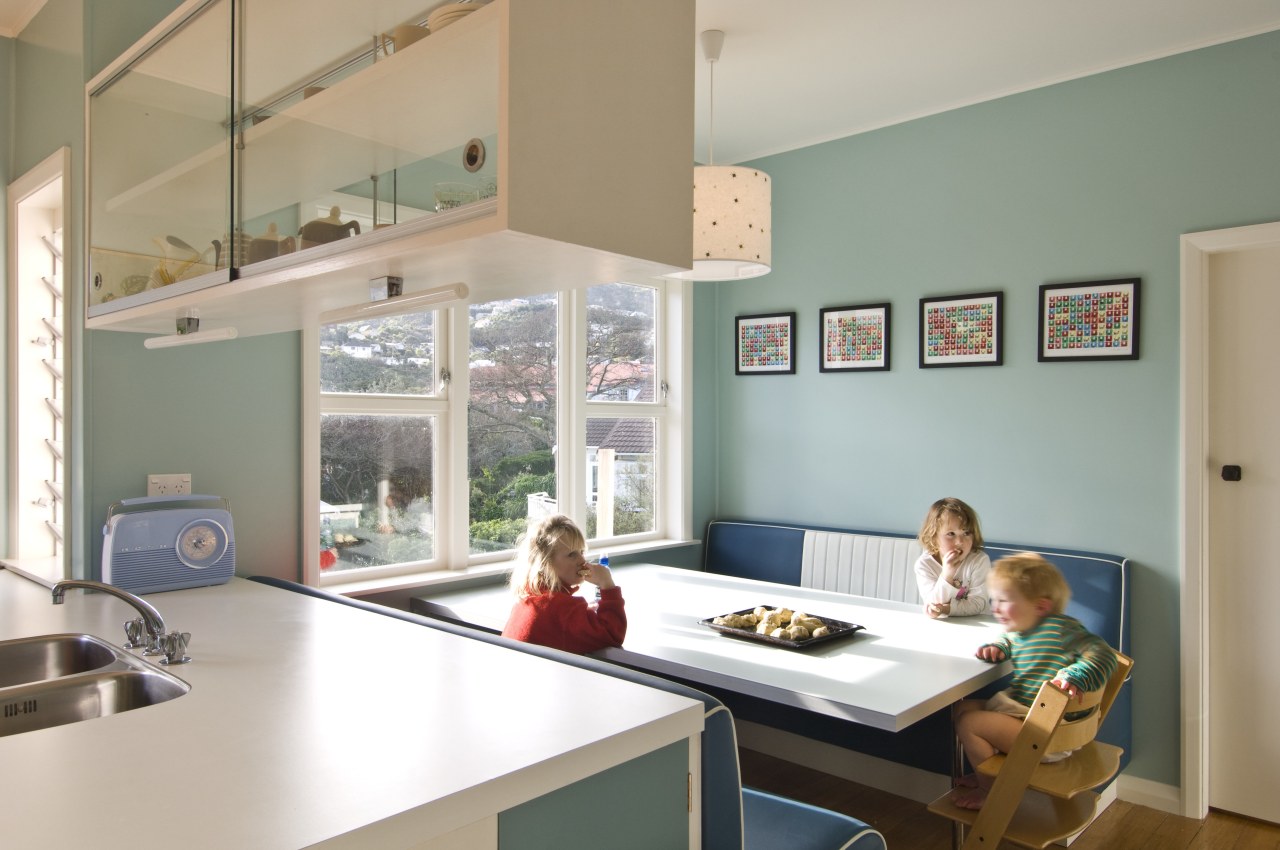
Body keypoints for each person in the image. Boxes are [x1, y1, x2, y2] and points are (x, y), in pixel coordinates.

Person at [950, 552, 1118, 810]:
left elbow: (1103, 654)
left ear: (1041, 606)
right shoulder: (1023, 630)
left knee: (969, 722)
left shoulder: (1061, 629)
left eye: (1004, 600)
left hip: (1048, 734)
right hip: (1026, 716)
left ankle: (991, 790)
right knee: (961, 708)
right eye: (994, 599)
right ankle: (987, 770)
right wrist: (998, 646)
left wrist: (1075, 675)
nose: (995, 608)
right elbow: (1011, 640)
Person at [501, 514, 626, 653]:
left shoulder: (528, 597)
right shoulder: (561, 607)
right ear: (546, 564)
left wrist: (577, 615)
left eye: (581, 552)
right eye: (572, 554)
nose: (582, 560)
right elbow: (613, 635)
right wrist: (607, 583)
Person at [914, 497, 991, 618]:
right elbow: (934, 605)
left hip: (977, 624)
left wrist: (947, 609)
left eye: (966, 533)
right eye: (951, 534)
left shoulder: (979, 560)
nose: (960, 541)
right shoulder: (924, 565)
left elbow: (978, 603)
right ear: (934, 537)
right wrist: (947, 574)